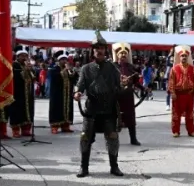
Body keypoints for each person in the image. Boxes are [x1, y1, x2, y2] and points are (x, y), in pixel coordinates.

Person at [74, 33, 124, 177]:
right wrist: (77, 93)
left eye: (102, 48)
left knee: (113, 137)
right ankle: (84, 167)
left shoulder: (113, 68)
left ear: (105, 50)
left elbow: (119, 86)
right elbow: (80, 84)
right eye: (96, 48)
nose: (99, 51)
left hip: (109, 108)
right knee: (85, 137)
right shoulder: (86, 68)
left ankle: (114, 166)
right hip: (92, 109)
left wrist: (124, 84)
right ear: (93, 51)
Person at [112, 42, 142, 145]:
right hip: (116, 96)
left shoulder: (131, 67)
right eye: (121, 53)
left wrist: (143, 88)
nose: (123, 55)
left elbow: (136, 81)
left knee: (130, 117)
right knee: (114, 118)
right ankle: (113, 140)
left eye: (125, 53)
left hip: (128, 96)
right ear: (117, 55)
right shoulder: (112, 67)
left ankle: (133, 139)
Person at [168, 45, 194, 137]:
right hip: (178, 95)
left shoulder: (192, 69)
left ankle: (191, 131)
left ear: (188, 57)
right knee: (176, 114)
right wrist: (173, 92)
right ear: (179, 57)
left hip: (189, 95)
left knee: (190, 114)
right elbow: (171, 82)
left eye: (185, 56)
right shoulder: (174, 69)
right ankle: (176, 131)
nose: (184, 57)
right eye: (182, 56)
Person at [9, 49, 35, 138]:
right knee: (17, 111)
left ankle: (26, 129)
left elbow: (33, 77)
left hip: (28, 93)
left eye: (25, 56)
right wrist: (25, 71)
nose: (24, 58)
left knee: (28, 111)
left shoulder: (27, 65)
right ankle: (16, 130)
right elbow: (15, 77)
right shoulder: (14, 65)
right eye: (22, 56)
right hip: (18, 92)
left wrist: (31, 69)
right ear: (18, 56)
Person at [48, 52, 76, 134]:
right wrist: (65, 70)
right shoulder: (54, 69)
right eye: (62, 60)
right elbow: (55, 78)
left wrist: (71, 72)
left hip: (67, 94)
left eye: (65, 60)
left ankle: (66, 126)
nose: (64, 61)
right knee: (56, 109)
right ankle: (54, 126)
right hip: (57, 94)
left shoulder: (68, 69)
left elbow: (74, 79)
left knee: (68, 109)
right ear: (59, 60)